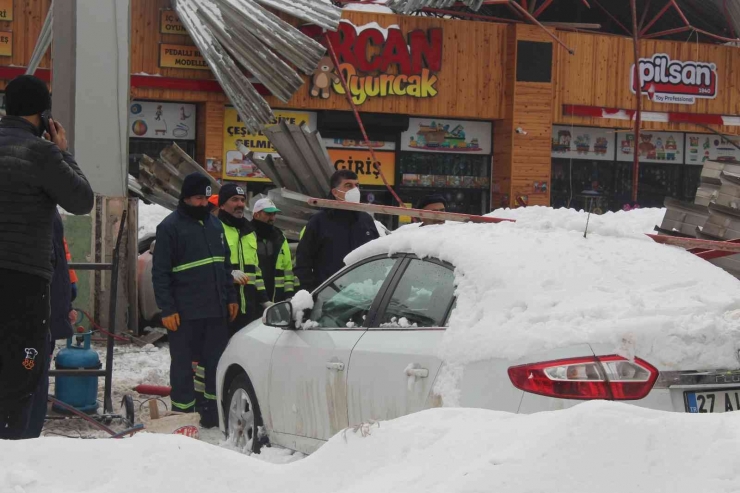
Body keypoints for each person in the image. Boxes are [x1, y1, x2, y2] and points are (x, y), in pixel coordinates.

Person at [0, 75, 94, 439]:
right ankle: (14, 450)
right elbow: (82, 200)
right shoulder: (42, 154)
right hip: (25, 282)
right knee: (23, 369)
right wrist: (63, 151)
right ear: (44, 116)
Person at [152, 173, 238, 428]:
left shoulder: (215, 225)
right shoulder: (169, 227)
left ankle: (211, 412)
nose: (203, 204)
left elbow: (225, 266)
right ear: (186, 198)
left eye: (206, 198)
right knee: (182, 366)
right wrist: (167, 308)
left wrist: (231, 297)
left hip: (216, 311)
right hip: (184, 312)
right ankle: (183, 415)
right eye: (198, 198)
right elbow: (160, 273)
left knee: (214, 362)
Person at [23, 211, 78, 438]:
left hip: (46, 308)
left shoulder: (49, 212)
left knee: (36, 372)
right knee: (28, 374)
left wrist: (68, 299)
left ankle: (27, 434)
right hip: (28, 310)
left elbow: (62, 258)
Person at [295, 170, 379, 292]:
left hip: (363, 296)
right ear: (335, 192)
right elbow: (303, 261)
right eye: (348, 185)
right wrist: (313, 292)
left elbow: (376, 257)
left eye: (357, 185)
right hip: (329, 297)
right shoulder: (319, 222)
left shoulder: (366, 220)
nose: (355, 190)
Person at [217, 184, 270, 334]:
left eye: (242, 200)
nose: (240, 204)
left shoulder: (250, 232)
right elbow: (206, 267)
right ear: (222, 204)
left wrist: (264, 299)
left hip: (248, 308)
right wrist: (228, 275)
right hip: (223, 305)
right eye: (234, 199)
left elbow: (256, 271)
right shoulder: (214, 229)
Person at [251, 198, 298, 303]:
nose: (272, 218)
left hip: (276, 298)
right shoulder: (247, 235)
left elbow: (288, 269)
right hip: (252, 298)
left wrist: (289, 294)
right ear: (256, 215)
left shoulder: (280, 237)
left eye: (274, 214)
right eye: (268, 214)